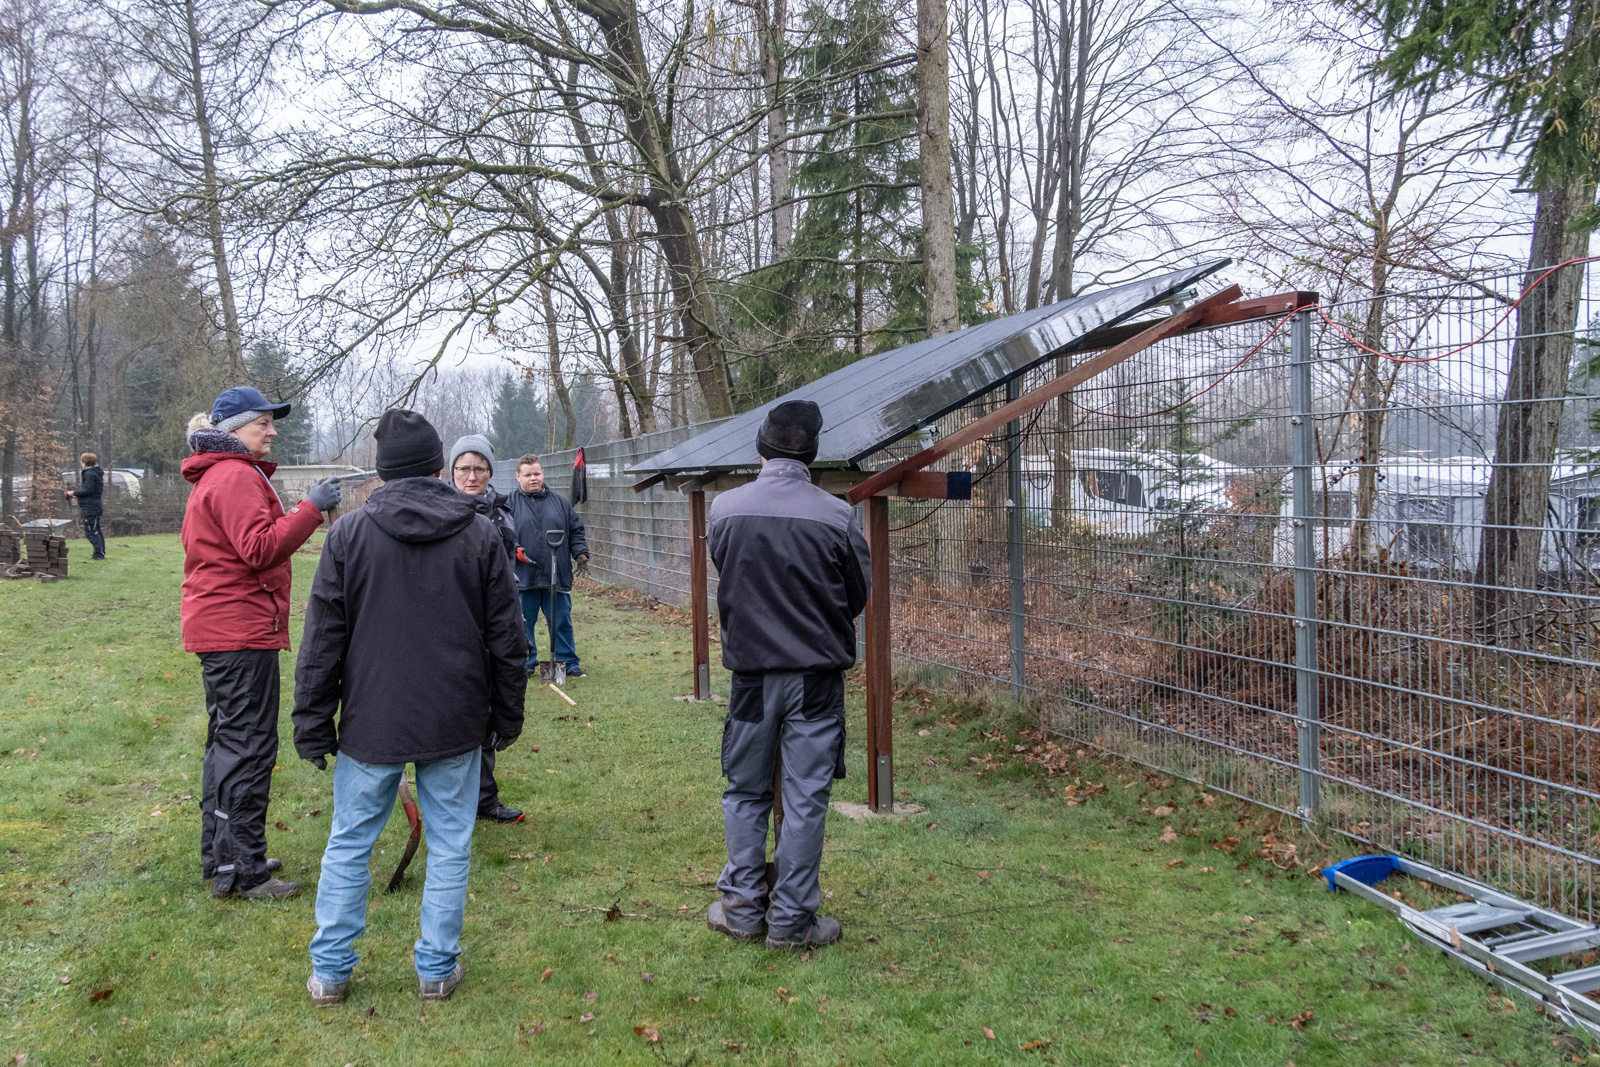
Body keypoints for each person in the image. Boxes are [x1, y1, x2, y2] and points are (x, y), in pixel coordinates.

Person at [294, 410, 528, 1007]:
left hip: (381, 720)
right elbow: (508, 639)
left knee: (351, 843)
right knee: (446, 844)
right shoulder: (468, 534)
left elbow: (321, 640)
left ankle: (334, 972)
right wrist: (506, 715)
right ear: (436, 466)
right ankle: (430, 968)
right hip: (441, 718)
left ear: (381, 472)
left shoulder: (355, 534)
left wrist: (313, 719)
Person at [704, 400, 870, 951]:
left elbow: (729, 572)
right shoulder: (837, 515)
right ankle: (792, 920)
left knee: (745, 791)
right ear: (813, 452)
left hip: (751, 678)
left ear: (761, 446)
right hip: (816, 680)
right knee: (804, 799)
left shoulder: (724, 510)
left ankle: (743, 909)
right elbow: (857, 595)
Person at [181, 386, 342, 900]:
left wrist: (297, 510)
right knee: (246, 748)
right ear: (234, 429)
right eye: (262, 424)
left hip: (231, 630)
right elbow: (259, 548)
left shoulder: (227, 474)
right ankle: (242, 870)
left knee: (228, 746)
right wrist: (312, 510)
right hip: (238, 633)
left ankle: (224, 856)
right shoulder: (232, 475)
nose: (272, 432)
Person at [444, 434, 526, 825]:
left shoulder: (501, 511)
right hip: (458, 623)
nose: (471, 476)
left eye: (479, 469)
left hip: (497, 619)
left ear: (490, 472)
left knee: (489, 710)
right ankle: (451, 800)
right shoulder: (441, 511)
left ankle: (484, 798)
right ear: (451, 471)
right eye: (464, 468)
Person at [508, 453, 590, 679]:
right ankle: (525, 663)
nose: (533, 478)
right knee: (523, 623)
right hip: (524, 577)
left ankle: (568, 663)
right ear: (518, 477)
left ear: (542, 473)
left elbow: (576, 530)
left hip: (557, 574)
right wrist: (514, 549)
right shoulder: (508, 505)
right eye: (527, 475)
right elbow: (501, 534)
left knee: (561, 620)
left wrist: (580, 553)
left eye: (536, 473)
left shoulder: (560, 504)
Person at [65, 452, 106, 560]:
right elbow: (93, 492)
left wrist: (73, 493)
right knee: (96, 529)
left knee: (91, 531)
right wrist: (79, 496)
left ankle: (98, 554)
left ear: (84, 463)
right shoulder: (96, 473)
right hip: (94, 505)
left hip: (90, 508)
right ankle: (100, 553)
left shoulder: (89, 474)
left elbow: (88, 490)